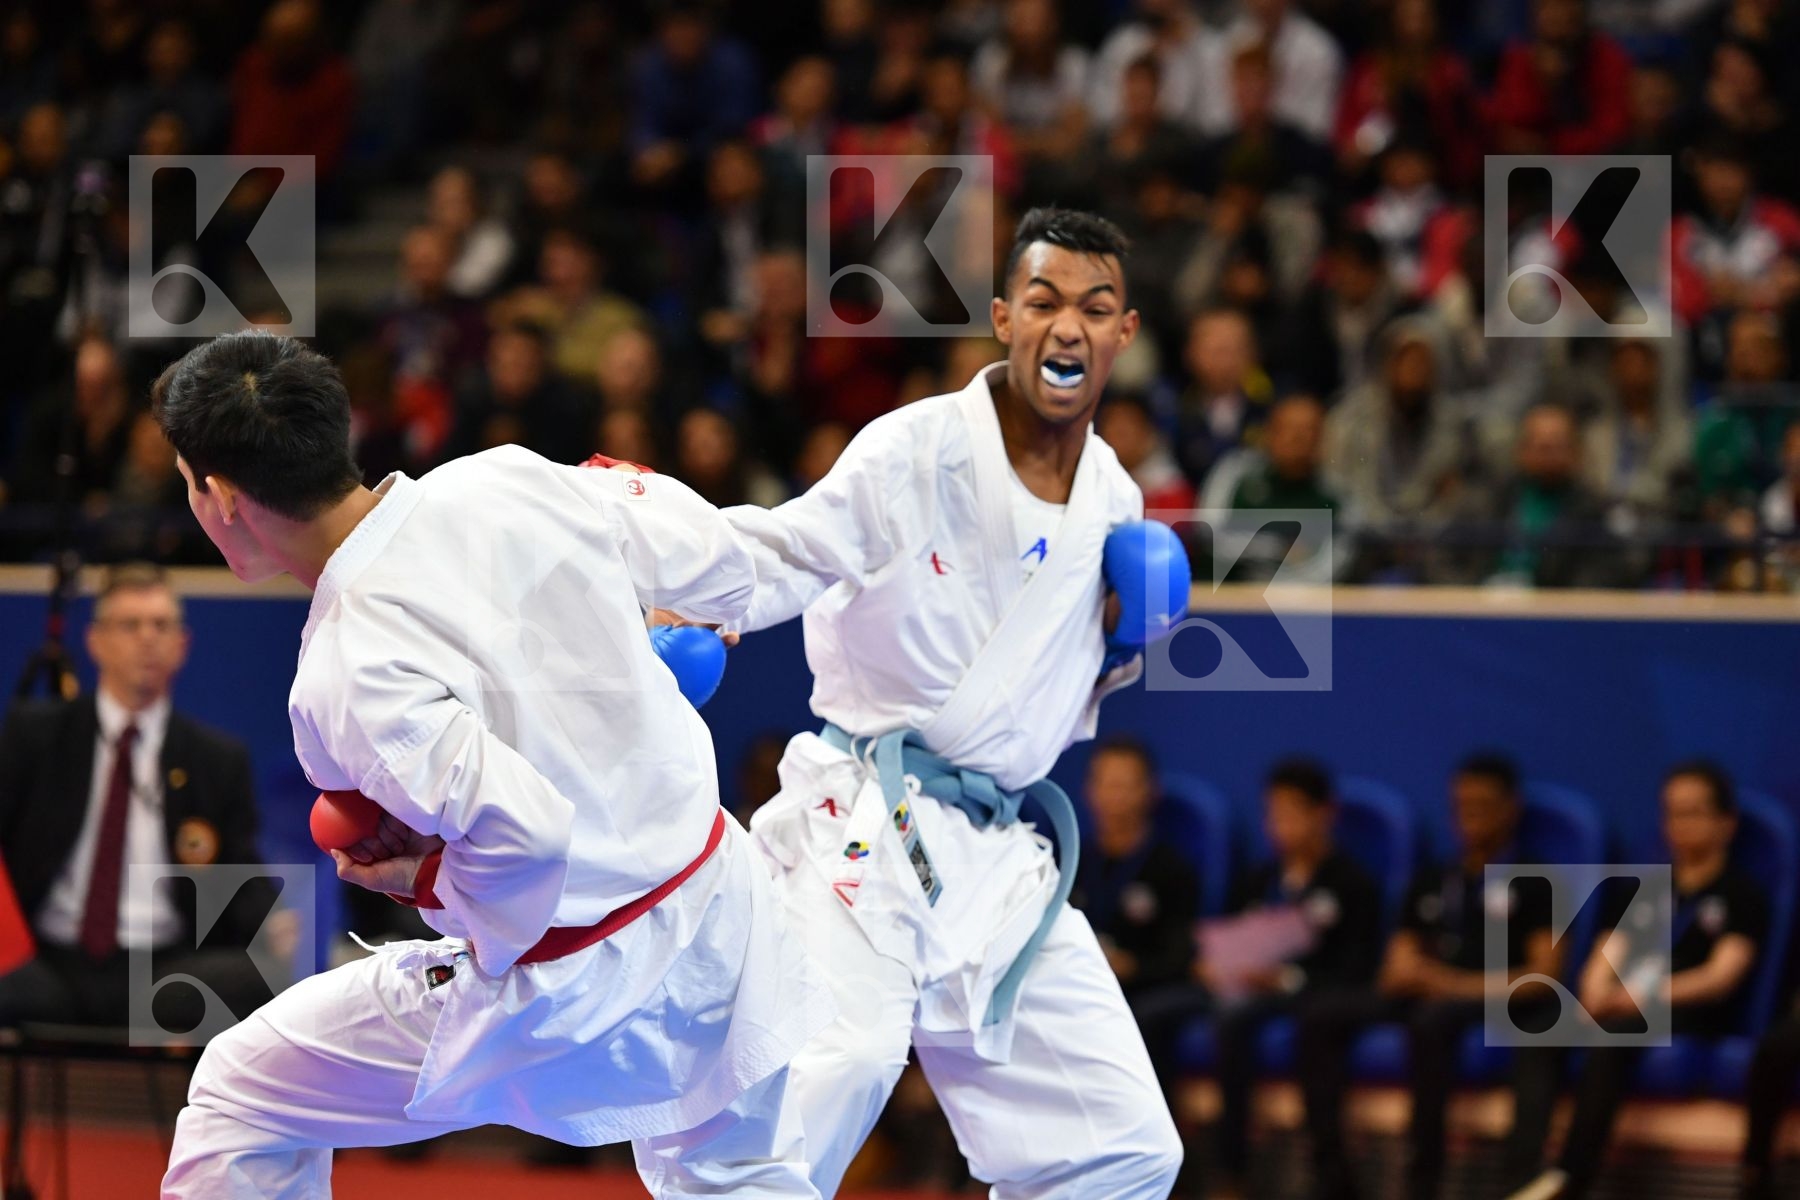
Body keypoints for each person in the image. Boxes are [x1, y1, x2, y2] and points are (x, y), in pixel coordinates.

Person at [150, 332, 834, 1197]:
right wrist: (700, 606)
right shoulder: (505, 475)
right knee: (740, 1177)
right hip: (723, 909)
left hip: (577, 985)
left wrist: (428, 878)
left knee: (239, 1095)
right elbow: (714, 552)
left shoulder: (346, 668)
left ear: (217, 494)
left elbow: (530, 833)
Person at [715, 208, 1184, 1197]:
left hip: (1001, 851)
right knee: (835, 1072)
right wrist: (696, 595)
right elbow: (789, 551)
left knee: (1126, 1145)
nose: (1068, 328)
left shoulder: (1116, 501)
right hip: (868, 818)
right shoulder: (915, 448)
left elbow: (1050, 698)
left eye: (1095, 309)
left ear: (1124, 335)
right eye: (1045, 302)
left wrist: (1128, 637)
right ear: (1006, 317)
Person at [0, 565, 285, 1031]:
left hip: (162, 970)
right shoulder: (37, 736)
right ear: (95, 642)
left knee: (261, 978)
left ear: (182, 646)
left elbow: (241, 875)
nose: (147, 639)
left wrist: (276, 928)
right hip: (47, 959)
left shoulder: (215, 759)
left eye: (161, 625)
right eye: (130, 625)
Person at [1296, 752, 1558, 1200]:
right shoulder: (1436, 876)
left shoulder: (1537, 879)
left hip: (1491, 1000)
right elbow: (1397, 961)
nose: (1469, 817)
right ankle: (1332, 1178)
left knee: (1432, 1021)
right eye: (1461, 806)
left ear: (1510, 808)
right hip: (1428, 991)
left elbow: (1543, 977)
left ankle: (1423, 1182)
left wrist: (1448, 984)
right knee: (1320, 1016)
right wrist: (1402, 971)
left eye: (1482, 806)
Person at [1506, 762, 1769, 1200]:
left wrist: (1637, 998)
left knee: (1614, 1037)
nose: (1681, 825)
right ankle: (1522, 1179)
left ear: (1726, 821)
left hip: (1688, 1011)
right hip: (1621, 1003)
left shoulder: (1742, 894)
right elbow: (1607, 952)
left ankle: (1571, 1179)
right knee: (1540, 1029)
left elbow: (1719, 978)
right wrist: (1594, 992)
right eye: (1673, 813)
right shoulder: (1645, 889)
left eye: (1694, 812)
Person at [1208, 759, 1381, 1195]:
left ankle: (1329, 1177)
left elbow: (1358, 969)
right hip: (1254, 996)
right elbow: (1224, 939)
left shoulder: (1352, 882)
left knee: (1316, 1023)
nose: (1279, 824)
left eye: (1291, 812)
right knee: (1229, 1019)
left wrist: (1286, 979)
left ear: (1324, 814)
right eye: (1272, 813)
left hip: (1317, 996)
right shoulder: (1260, 879)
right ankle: (1231, 1172)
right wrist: (1215, 963)